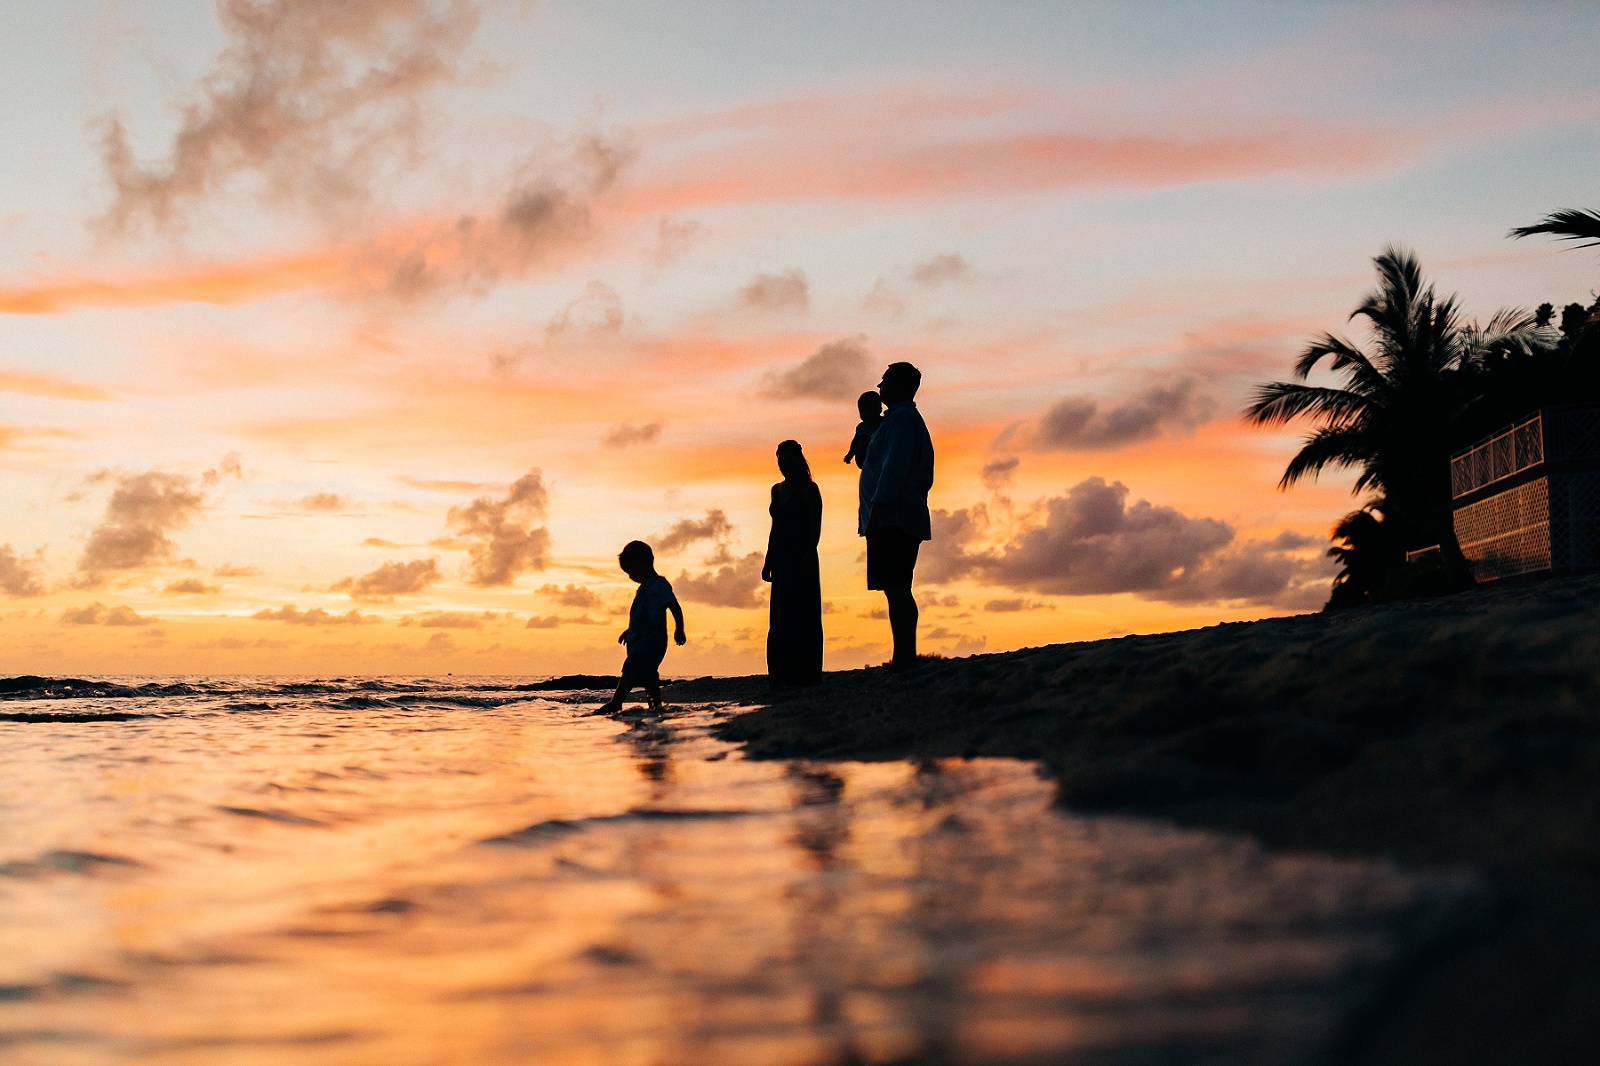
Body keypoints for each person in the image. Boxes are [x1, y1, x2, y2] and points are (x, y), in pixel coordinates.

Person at [859, 362, 933, 671]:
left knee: (898, 586)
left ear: (900, 385)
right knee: (895, 587)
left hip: (894, 517)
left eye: (886, 381)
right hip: (891, 515)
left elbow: (894, 468)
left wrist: (877, 509)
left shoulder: (902, 420)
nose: (880, 386)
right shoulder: (895, 420)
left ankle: (905, 657)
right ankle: (903, 655)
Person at [762, 440, 823, 688]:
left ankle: (805, 675)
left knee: (803, 615)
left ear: (798, 460)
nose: (784, 465)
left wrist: (808, 556)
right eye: (780, 461)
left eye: (788, 460)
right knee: (781, 617)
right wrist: (768, 559)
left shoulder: (809, 489)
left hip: (802, 555)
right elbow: (774, 527)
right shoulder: (776, 490)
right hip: (781, 557)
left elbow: (815, 527)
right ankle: (781, 674)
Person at [597, 541, 685, 713]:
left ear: (647, 562)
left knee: (631, 668)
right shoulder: (644, 588)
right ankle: (656, 706)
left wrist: (679, 628)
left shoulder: (659, 584)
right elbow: (642, 616)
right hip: (639, 639)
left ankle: (617, 701)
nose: (631, 576)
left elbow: (674, 606)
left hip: (651, 640)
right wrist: (629, 631)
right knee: (648, 675)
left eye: (632, 571)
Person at [843, 390, 883, 468]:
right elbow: (855, 442)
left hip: (878, 462)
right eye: (862, 411)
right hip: (864, 463)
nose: (865, 414)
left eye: (869, 410)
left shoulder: (883, 424)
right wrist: (850, 454)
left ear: (879, 409)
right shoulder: (861, 427)